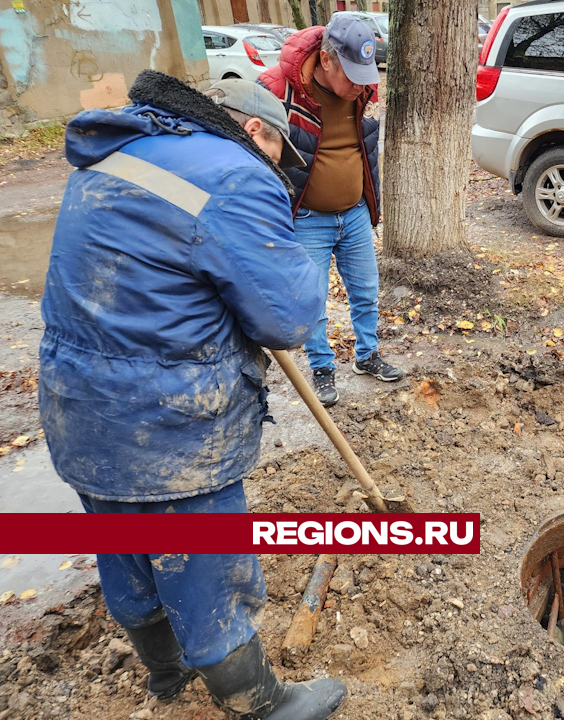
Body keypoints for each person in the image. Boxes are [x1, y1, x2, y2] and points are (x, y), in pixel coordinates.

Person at [39, 71, 345, 720]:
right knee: (207, 574)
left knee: (125, 553)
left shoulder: (114, 150)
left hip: (77, 409)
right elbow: (288, 316)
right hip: (170, 423)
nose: (278, 169)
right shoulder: (235, 171)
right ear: (254, 129)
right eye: (277, 153)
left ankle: (165, 675)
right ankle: (261, 704)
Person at [259, 14, 403, 407]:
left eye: (367, 74)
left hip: (354, 212)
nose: (363, 85)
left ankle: (367, 356)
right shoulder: (277, 90)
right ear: (326, 60)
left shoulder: (360, 89)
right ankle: (322, 367)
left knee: (366, 292)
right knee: (313, 300)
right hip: (308, 219)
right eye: (353, 75)